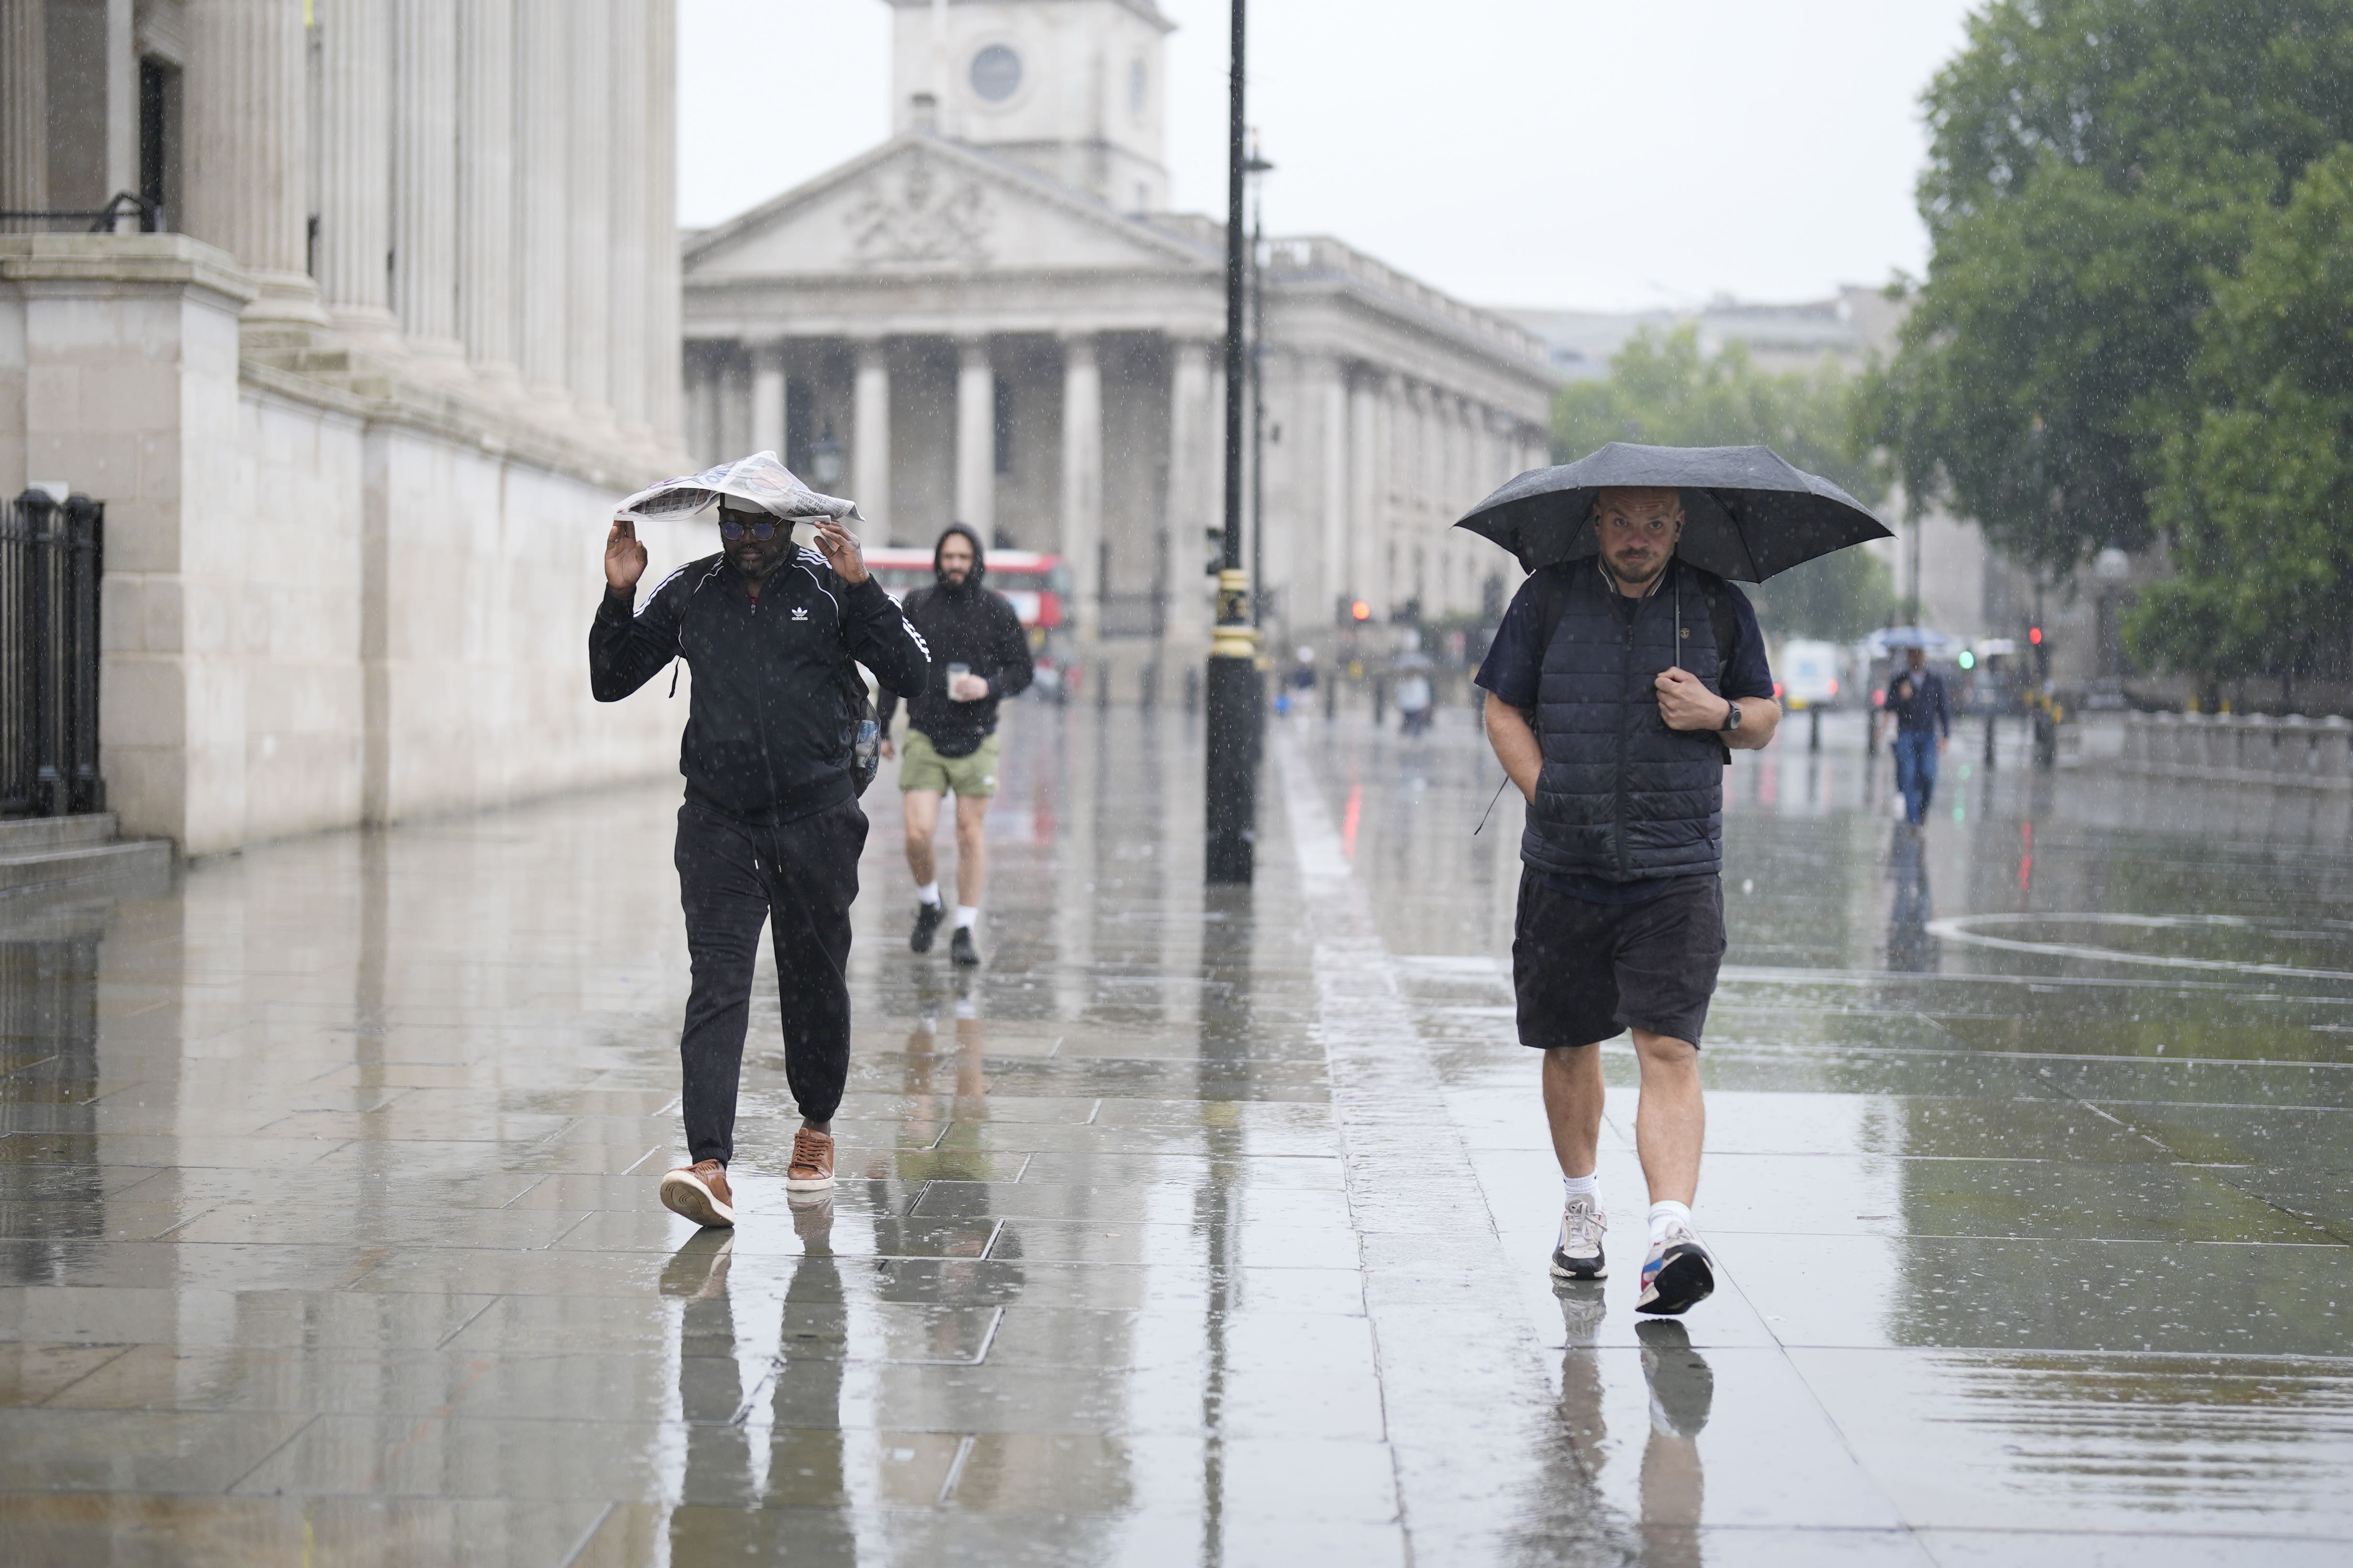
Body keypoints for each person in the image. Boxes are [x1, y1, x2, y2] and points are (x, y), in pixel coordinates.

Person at [1476, 486, 1781, 1315]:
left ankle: (1668, 1236)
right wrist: (1546, 792)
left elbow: (1761, 716)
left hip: (1675, 867)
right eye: (1621, 520)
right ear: (1597, 522)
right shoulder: (1545, 597)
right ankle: (1581, 1205)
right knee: (1569, 1043)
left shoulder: (1715, 605)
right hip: (1563, 867)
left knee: (1668, 1047)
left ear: (1678, 527)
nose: (1637, 537)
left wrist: (1714, 711)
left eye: (1654, 522)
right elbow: (1499, 704)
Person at [591, 493, 929, 1229]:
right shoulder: (692, 591)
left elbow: (914, 668)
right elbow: (610, 677)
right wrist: (620, 592)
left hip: (816, 817)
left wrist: (864, 589)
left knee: (813, 980)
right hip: (718, 821)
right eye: (734, 525)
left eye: (760, 527)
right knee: (716, 983)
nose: (746, 540)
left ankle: (815, 1127)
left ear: (787, 526)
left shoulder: (830, 586)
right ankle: (709, 1161)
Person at [877, 524, 1034, 967]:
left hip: (979, 735)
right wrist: (884, 726)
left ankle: (965, 927)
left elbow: (1023, 671)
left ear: (976, 561)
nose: (956, 565)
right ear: (938, 560)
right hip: (925, 732)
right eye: (949, 557)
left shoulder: (998, 610)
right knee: (917, 833)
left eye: (964, 558)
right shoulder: (917, 605)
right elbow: (894, 665)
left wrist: (988, 686)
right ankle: (930, 902)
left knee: (969, 832)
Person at [1880, 644, 1950, 826]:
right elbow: (1888, 706)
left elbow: (1943, 709)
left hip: (1928, 735)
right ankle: (1913, 821)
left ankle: (1923, 808)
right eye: (1912, 654)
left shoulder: (1935, 680)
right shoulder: (1900, 680)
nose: (1916, 658)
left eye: (1918, 654)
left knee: (1929, 775)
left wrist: (1946, 735)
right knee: (1908, 776)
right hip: (1906, 734)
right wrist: (1901, 697)